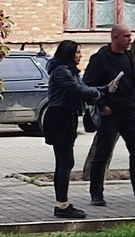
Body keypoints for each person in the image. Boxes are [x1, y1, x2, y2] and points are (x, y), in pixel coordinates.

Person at [83, 24, 135, 205]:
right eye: (126, 36)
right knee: (102, 153)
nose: (130, 40)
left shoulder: (129, 56)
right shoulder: (100, 59)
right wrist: (101, 105)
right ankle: (96, 194)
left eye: (130, 36)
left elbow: (134, 81)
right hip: (110, 113)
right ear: (114, 37)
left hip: (129, 112)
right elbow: (88, 86)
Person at [43, 41, 117, 219]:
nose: (80, 55)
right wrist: (103, 91)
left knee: (64, 162)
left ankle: (62, 203)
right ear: (69, 54)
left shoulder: (67, 70)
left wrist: (105, 89)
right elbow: (79, 90)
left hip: (65, 116)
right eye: (77, 52)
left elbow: (83, 88)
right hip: (59, 117)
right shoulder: (62, 71)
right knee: (65, 162)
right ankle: (62, 206)